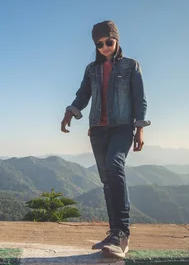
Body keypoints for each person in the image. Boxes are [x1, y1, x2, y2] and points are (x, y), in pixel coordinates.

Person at [60, 20, 150, 259]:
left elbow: (139, 98)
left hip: (122, 128)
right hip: (97, 130)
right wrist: (70, 111)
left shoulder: (131, 66)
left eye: (108, 42)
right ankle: (113, 234)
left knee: (114, 165)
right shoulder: (92, 70)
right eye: (98, 44)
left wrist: (140, 128)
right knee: (106, 179)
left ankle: (123, 234)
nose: (104, 47)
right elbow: (83, 94)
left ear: (116, 40)